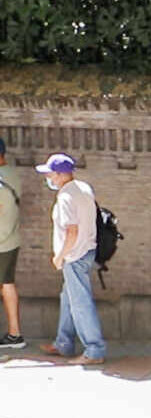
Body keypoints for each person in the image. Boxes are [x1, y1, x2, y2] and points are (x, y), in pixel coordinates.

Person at [35, 153, 106, 365]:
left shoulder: (65, 197)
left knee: (80, 303)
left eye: (50, 173)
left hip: (74, 256)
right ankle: (63, 342)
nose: (48, 177)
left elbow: (71, 232)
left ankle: (94, 350)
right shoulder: (84, 188)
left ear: (59, 175)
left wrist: (59, 256)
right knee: (69, 298)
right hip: (87, 250)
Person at [0, 138, 23, 348]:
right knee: (7, 284)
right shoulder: (12, 174)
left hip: (1, 241)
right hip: (11, 238)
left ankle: (15, 334)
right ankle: (14, 333)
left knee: (6, 285)